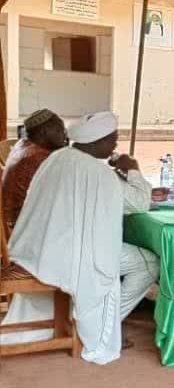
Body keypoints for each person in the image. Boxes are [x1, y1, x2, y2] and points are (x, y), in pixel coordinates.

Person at [1, 112, 159, 364]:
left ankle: (90, 320)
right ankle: (102, 326)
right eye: (113, 139)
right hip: (67, 258)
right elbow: (140, 203)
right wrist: (134, 171)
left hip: (36, 250)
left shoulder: (57, 158)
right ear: (97, 141)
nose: (115, 145)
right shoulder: (98, 174)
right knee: (149, 263)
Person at [2, 109, 67, 230]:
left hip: (13, 222)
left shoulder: (22, 145)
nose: (65, 135)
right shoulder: (38, 158)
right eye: (60, 130)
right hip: (23, 228)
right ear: (43, 132)